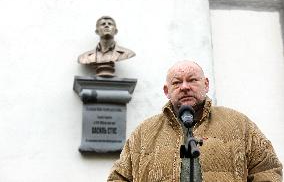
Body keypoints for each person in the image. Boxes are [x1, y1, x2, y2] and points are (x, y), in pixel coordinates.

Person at [107, 60, 282, 181]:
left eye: (192, 80)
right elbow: (119, 177)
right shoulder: (143, 133)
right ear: (166, 91)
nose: (185, 87)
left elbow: (267, 170)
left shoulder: (238, 124)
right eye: (177, 82)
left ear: (206, 84)